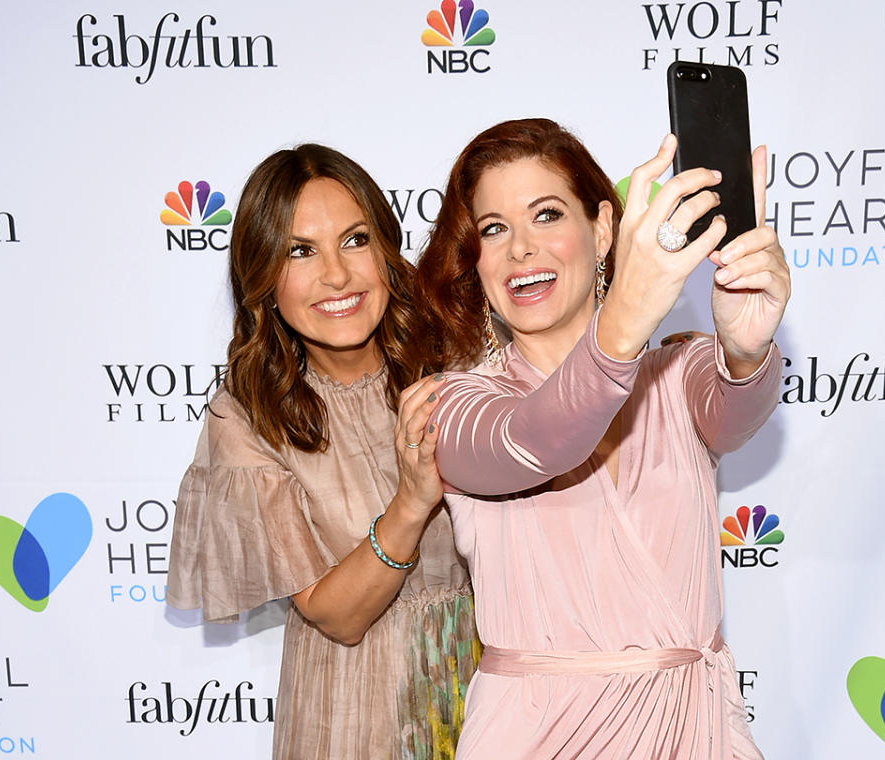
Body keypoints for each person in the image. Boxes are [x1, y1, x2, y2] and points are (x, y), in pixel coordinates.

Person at [413, 118, 790, 759]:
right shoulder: (456, 408)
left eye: (547, 215)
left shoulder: (677, 369)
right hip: (542, 739)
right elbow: (541, 439)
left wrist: (747, 349)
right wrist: (623, 321)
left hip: (693, 732)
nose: (522, 250)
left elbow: (735, 408)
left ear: (604, 229)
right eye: (494, 229)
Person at [167, 144, 479, 760]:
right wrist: (412, 502)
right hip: (355, 711)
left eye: (355, 240)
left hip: (489, 686)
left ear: (385, 253)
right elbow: (335, 615)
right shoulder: (248, 416)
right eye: (299, 251)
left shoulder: (457, 361)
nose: (336, 276)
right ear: (262, 276)